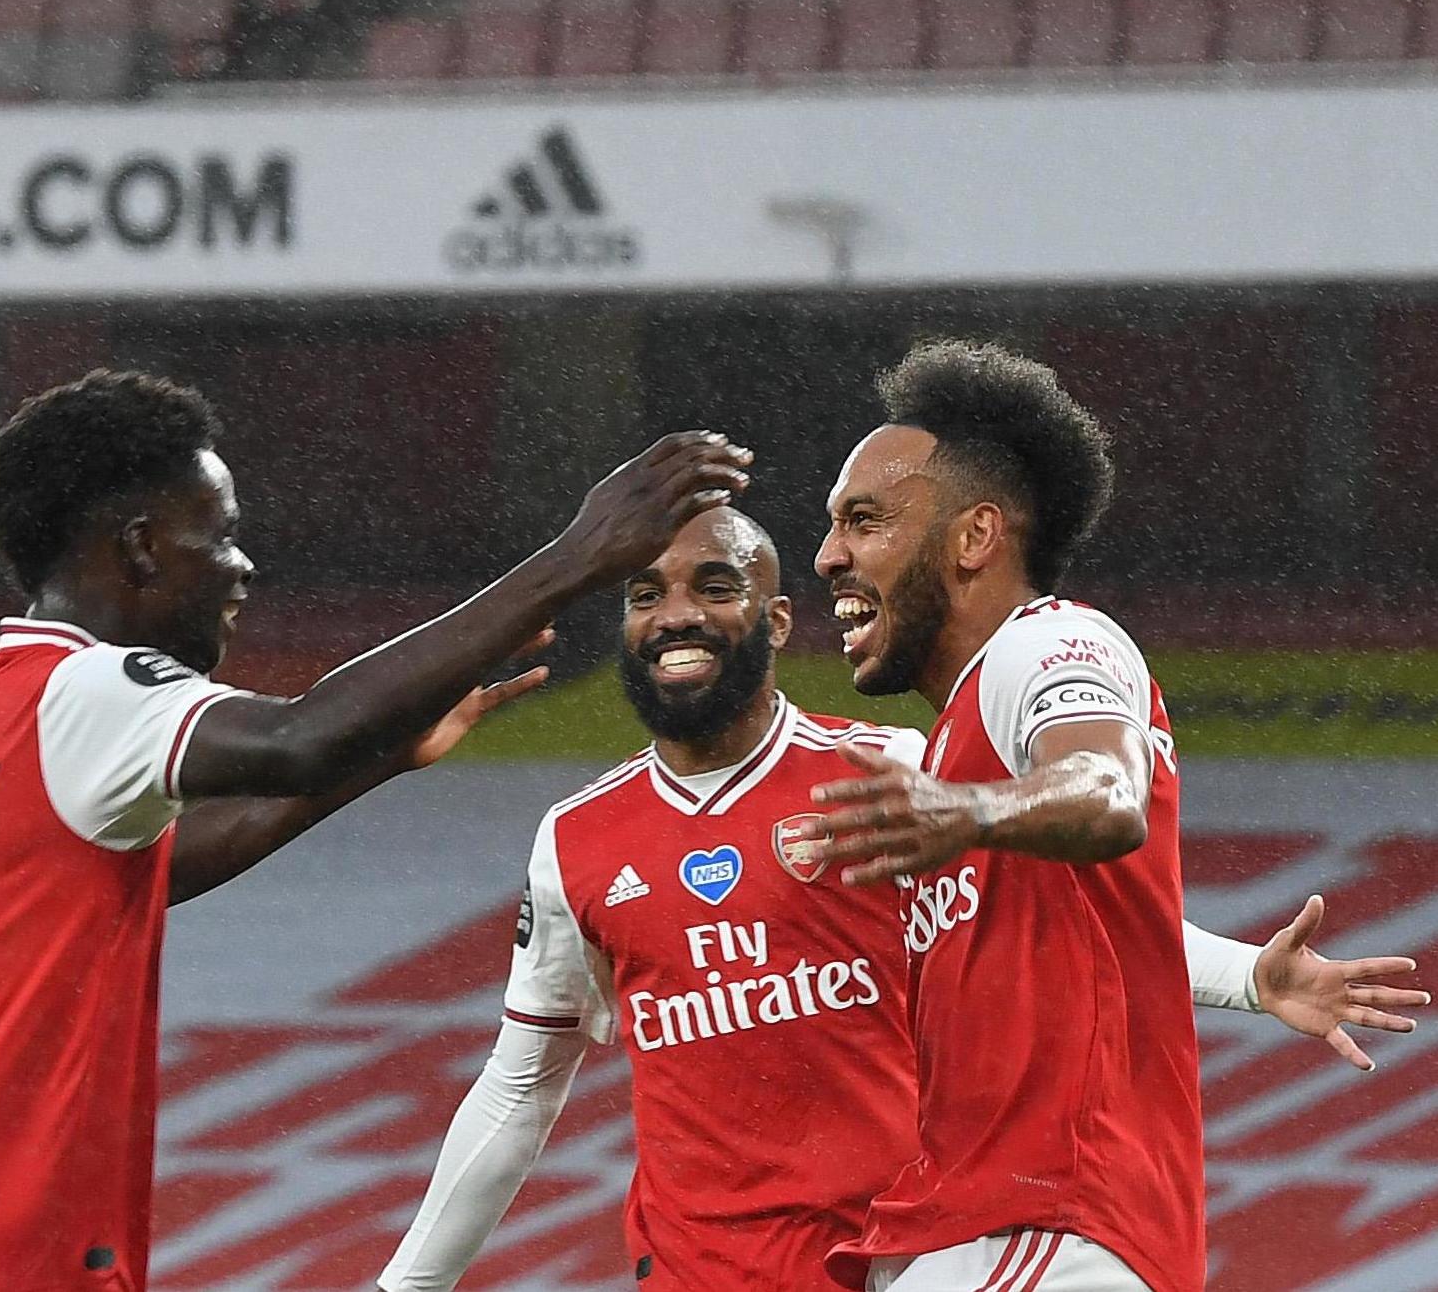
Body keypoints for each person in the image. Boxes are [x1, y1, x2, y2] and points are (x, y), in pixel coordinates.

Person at [0, 368, 753, 1292]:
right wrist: (578, 556)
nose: (241, 565)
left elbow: (167, 860)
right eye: (218, 535)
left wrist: (377, 755)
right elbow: (300, 735)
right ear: (137, 548)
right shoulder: (86, 689)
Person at [377, 506, 1424, 1291]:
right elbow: (520, 1089)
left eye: (712, 583)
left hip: (901, 1254)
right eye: (645, 594)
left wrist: (1246, 974)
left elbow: (1057, 923)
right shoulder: (577, 840)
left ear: (777, 617)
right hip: (701, 1271)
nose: (676, 613)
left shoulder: (891, 772)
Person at [808, 341, 1427, 1292]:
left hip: (1045, 1225)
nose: (828, 554)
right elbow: (1089, 924)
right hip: (1016, 1228)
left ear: (974, 537)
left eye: (864, 520)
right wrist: (1244, 978)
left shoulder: (1052, 641)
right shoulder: (961, 736)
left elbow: (1105, 788)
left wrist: (960, 808)